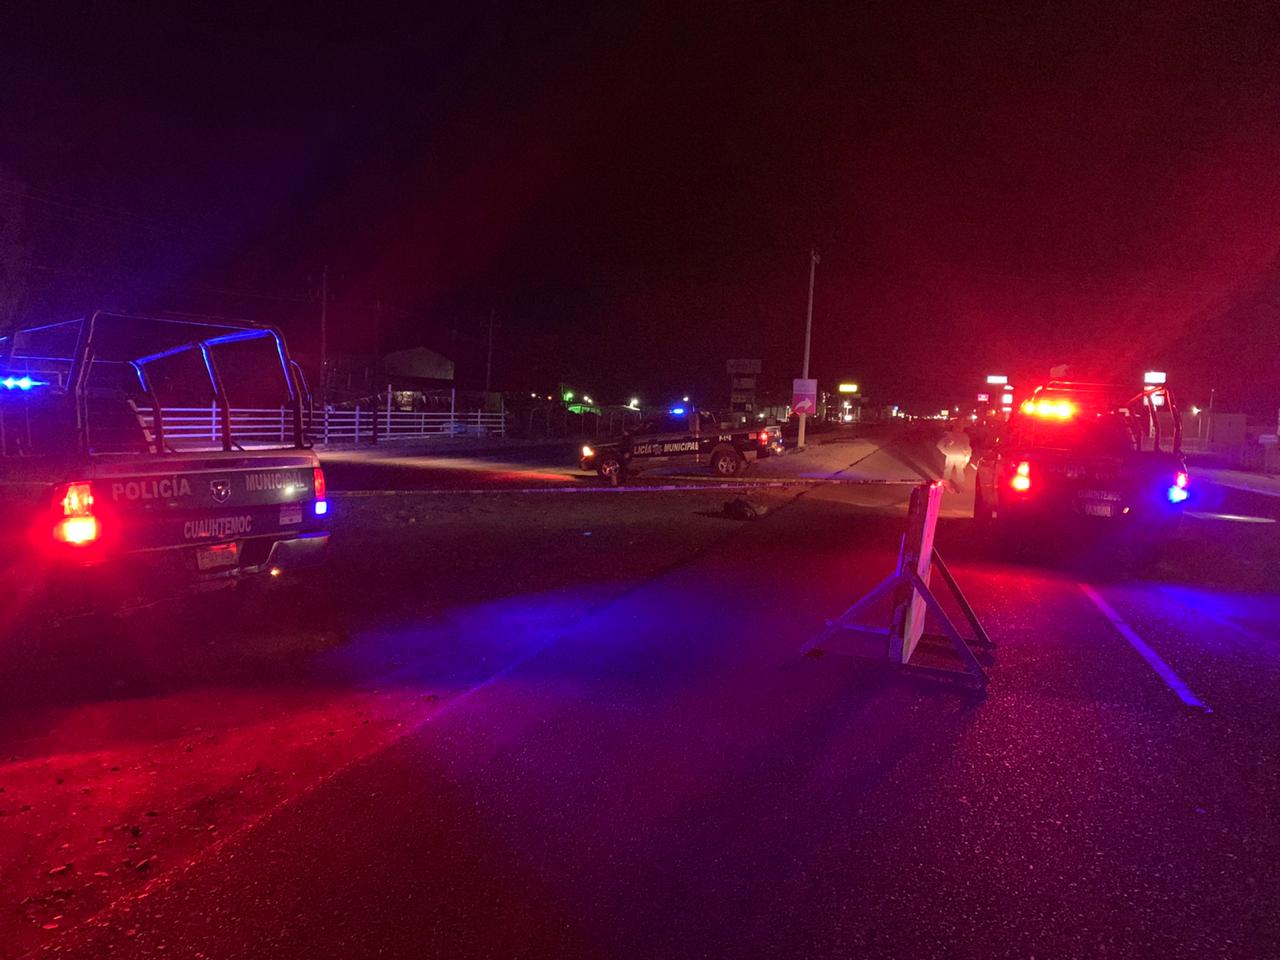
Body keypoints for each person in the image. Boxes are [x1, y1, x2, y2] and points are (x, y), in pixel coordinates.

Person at [937, 419, 972, 493]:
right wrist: (967, 457)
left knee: (948, 470)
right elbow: (967, 448)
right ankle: (961, 486)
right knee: (960, 471)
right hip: (960, 456)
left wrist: (945, 452)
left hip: (951, 455)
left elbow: (939, 445)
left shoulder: (949, 435)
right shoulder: (965, 436)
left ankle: (946, 485)